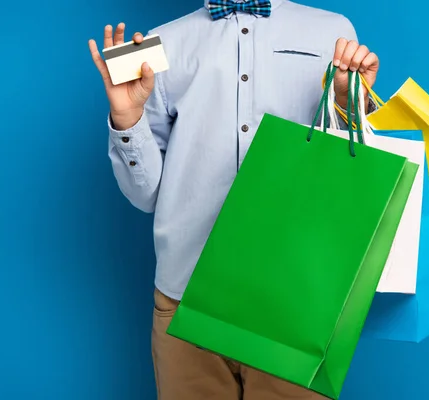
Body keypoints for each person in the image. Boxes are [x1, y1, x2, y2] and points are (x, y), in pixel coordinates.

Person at [88, 0, 379, 398]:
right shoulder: (157, 43)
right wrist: (127, 118)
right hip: (186, 295)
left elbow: (349, 174)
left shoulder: (332, 30)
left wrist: (350, 104)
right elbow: (146, 195)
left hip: (295, 300)